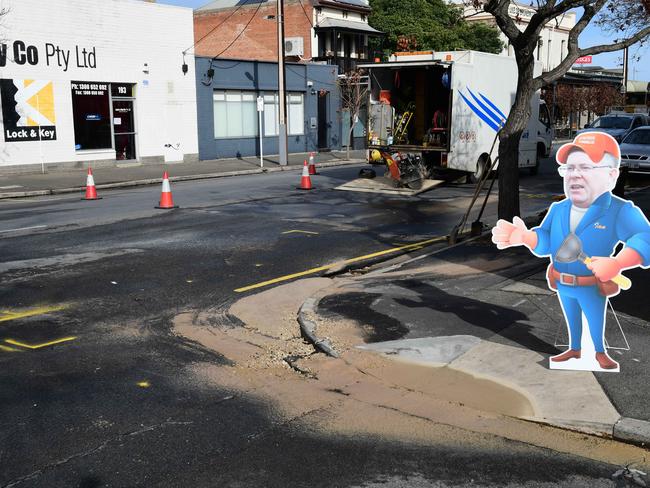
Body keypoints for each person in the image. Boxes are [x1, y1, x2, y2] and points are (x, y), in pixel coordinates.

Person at [491, 132, 650, 370]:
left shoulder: (619, 210)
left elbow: (644, 236)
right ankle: (574, 349)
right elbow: (547, 241)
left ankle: (599, 351)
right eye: (569, 168)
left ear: (611, 175)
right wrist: (526, 236)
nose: (574, 174)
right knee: (571, 318)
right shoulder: (559, 208)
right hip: (562, 282)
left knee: (595, 318)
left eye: (585, 167)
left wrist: (617, 263)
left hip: (591, 284)